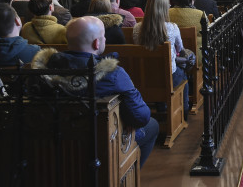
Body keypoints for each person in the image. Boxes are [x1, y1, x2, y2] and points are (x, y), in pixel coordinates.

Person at [31, 16, 159, 167]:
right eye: (103, 36)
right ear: (97, 43)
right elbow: (141, 116)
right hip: (100, 141)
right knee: (151, 125)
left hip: (52, 142)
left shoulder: (42, 70)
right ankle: (123, 177)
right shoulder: (112, 73)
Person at [133, 0, 189, 113]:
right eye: (168, 5)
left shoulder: (137, 28)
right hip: (168, 75)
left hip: (145, 75)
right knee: (183, 74)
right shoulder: (172, 27)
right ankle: (184, 111)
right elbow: (181, 50)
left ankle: (161, 107)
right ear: (164, 9)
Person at [168, 0, 207, 64]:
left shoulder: (167, 13)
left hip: (174, 57)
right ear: (192, 0)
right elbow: (208, 33)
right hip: (198, 56)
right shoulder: (200, 14)